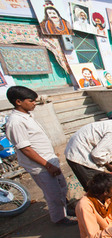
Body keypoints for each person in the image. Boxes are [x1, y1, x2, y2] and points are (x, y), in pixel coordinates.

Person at [5, 86, 76, 225]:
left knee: (62, 187)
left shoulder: (27, 115)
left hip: (49, 161)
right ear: (18, 101)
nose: (34, 103)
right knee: (53, 194)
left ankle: (65, 210)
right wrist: (48, 165)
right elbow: (26, 149)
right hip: (41, 166)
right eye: (31, 101)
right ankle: (59, 218)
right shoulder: (15, 122)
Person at [65, 109, 112, 191]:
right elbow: (97, 154)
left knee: (99, 183)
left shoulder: (111, 124)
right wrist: (107, 165)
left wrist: (108, 161)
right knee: (97, 187)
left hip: (76, 149)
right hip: (79, 154)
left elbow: (101, 149)